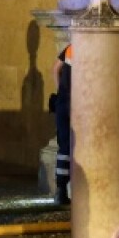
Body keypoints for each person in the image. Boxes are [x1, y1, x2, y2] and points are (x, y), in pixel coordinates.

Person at [50, 44, 72, 205]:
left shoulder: (71, 48)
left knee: (64, 147)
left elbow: (55, 69)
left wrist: (60, 92)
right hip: (78, 103)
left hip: (63, 101)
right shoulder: (91, 46)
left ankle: (61, 190)